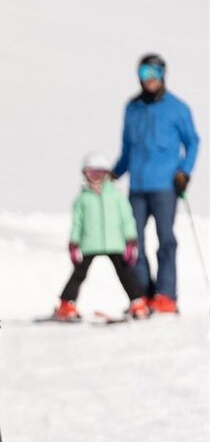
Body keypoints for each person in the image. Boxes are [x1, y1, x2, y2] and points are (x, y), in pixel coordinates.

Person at [113, 53, 200, 314]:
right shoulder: (133, 108)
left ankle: (166, 295)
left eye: (153, 73)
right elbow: (127, 148)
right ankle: (143, 295)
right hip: (137, 186)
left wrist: (185, 171)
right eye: (143, 73)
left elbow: (193, 141)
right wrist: (115, 174)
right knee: (133, 242)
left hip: (165, 186)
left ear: (163, 75)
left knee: (166, 240)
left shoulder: (177, 108)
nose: (148, 79)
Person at [53, 153, 148, 321]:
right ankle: (66, 305)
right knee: (79, 274)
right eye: (91, 173)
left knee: (125, 272)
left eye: (100, 173)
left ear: (107, 174)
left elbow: (127, 218)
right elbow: (77, 223)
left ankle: (138, 302)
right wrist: (74, 243)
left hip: (115, 243)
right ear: (85, 174)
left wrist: (131, 240)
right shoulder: (82, 199)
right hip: (90, 243)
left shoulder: (116, 195)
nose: (96, 178)